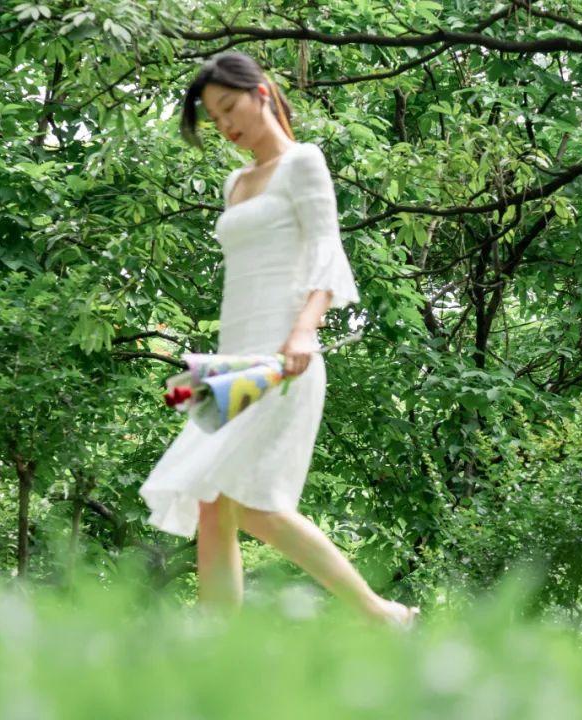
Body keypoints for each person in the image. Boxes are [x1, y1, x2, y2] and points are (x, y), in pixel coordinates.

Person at [139, 51, 419, 630]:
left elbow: (326, 251)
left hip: (287, 354)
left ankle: (379, 612)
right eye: (215, 120)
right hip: (230, 360)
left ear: (261, 92)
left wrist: (302, 332)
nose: (226, 126)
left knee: (258, 508)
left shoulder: (304, 162)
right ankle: (220, 648)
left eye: (229, 108)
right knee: (211, 501)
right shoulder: (234, 182)